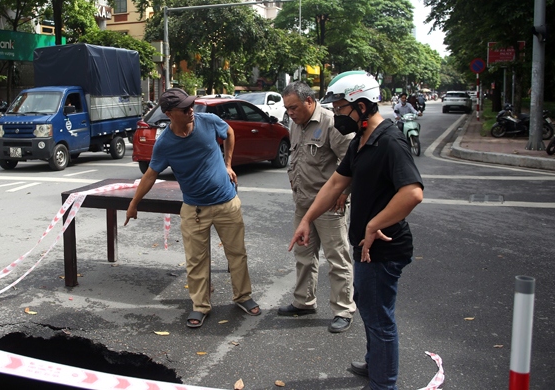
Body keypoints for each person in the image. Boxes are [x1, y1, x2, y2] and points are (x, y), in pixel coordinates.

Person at [289, 71, 423, 390]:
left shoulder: (389, 141)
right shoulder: (363, 141)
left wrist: (376, 223)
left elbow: (413, 192)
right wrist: (308, 218)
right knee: (369, 309)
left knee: (380, 321)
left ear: (361, 106)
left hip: (383, 248)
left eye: (339, 107)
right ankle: (375, 361)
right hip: (365, 246)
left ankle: (383, 382)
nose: (335, 114)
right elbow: (336, 182)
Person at [124, 88, 260, 328]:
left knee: (237, 253)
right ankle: (200, 305)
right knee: (196, 260)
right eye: (184, 108)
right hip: (194, 209)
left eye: (191, 105)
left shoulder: (208, 122)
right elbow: (150, 174)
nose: (191, 111)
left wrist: (228, 163)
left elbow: (228, 132)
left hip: (226, 202)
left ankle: (243, 296)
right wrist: (134, 204)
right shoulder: (165, 142)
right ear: (169, 113)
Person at [278, 82, 356, 334]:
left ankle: (343, 310)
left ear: (310, 101)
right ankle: (304, 301)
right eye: (287, 108)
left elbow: (351, 160)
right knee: (303, 255)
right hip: (303, 203)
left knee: (337, 257)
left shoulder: (332, 123)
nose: (290, 113)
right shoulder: (294, 124)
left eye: (294, 107)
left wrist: (344, 192)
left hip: (329, 205)